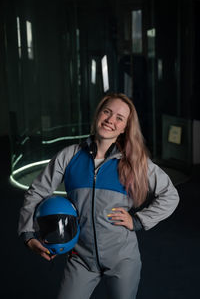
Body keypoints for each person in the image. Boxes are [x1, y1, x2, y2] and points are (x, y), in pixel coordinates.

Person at [18, 93, 179, 299]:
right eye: (107, 112)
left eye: (119, 118)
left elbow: (170, 195)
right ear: (98, 115)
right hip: (80, 258)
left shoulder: (135, 162)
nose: (111, 120)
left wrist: (138, 220)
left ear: (125, 128)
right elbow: (37, 191)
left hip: (122, 259)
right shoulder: (70, 156)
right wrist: (28, 233)